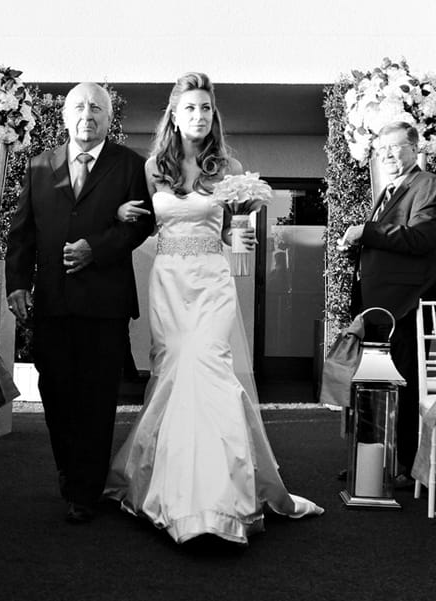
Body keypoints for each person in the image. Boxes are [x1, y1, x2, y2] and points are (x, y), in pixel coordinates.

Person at [105, 72, 323, 544]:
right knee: (175, 372)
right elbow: (135, 222)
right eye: (190, 108)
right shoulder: (151, 169)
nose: (199, 116)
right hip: (169, 281)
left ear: (214, 116)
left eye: (206, 108)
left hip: (213, 282)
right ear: (175, 117)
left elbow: (232, 234)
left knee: (210, 369)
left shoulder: (229, 167)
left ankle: (219, 501)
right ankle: (168, 488)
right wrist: (122, 214)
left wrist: (238, 232)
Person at [5, 82, 154, 523]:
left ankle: (84, 490)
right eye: (79, 106)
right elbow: (22, 232)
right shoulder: (38, 166)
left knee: (96, 397)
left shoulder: (131, 166)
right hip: (51, 301)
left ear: (110, 119)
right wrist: (17, 283)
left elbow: (142, 226)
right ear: (65, 116)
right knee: (55, 391)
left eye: (97, 107)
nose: (87, 113)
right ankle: (71, 470)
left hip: (104, 304)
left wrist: (98, 247)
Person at [339, 121, 436, 487]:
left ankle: (405, 469)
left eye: (395, 148)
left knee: (404, 390)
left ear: (415, 148)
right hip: (378, 307)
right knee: (374, 386)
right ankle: (370, 465)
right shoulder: (390, 189)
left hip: (405, 305)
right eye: (382, 150)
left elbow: (422, 238)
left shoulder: (426, 185)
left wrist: (368, 231)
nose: (389, 156)